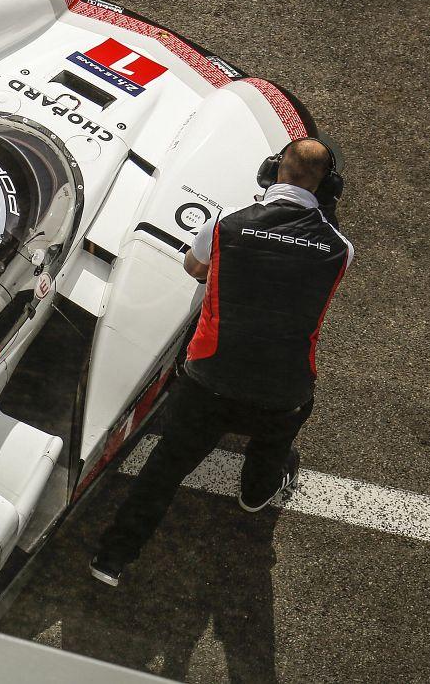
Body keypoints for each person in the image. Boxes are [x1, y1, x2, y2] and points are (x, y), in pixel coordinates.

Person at [89, 137, 353, 587]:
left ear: (273, 171)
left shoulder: (226, 221)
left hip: (208, 381)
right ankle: (255, 494)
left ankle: (112, 558)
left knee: (166, 467)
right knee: (275, 447)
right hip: (282, 391)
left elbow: (195, 268)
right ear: (328, 189)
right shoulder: (340, 248)